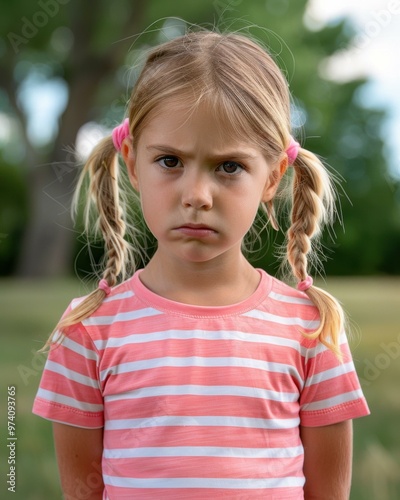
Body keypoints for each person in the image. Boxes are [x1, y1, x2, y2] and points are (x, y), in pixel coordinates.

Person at [33, 29, 369, 500]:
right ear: (132, 162)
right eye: (170, 161)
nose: (196, 197)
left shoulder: (313, 332)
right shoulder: (89, 333)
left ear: (272, 177)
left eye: (229, 167)